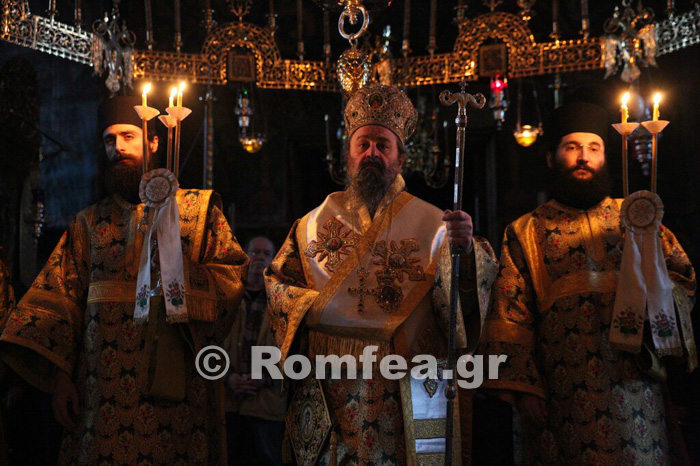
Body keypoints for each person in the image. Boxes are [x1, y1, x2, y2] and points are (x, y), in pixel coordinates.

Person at [0, 95, 248, 465]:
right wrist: (61, 380)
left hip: (177, 394)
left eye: (128, 136)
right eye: (109, 140)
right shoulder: (88, 223)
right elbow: (58, 302)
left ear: (154, 141)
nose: (117, 147)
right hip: (99, 395)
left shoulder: (198, 211)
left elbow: (231, 277)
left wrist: (179, 273)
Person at [265, 83, 498, 465]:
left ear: (400, 158)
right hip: (329, 384)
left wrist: (466, 250)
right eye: (363, 144)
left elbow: (465, 300)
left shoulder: (434, 225)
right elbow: (278, 284)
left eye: (382, 145)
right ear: (349, 156)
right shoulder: (310, 224)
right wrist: (316, 308)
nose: (372, 153)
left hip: (401, 383)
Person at [480, 101, 697, 464]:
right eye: (572, 147)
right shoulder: (525, 230)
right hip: (562, 390)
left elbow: (682, 279)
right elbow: (509, 313)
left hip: (636, 383)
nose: (584, 157)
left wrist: (656, 300)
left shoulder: (637, 216)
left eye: (593, 148)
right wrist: (524, 388)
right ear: (551, 158)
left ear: (605, 158)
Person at [223, 236, 286, 466]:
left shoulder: (282, 302)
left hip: (266, 406)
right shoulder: (227, 297)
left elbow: (292, 350)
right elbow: (210, 345)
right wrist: (227, 377)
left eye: (266, 253)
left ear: (273, 260)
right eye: (255, 252)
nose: (260, 257)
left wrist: (266, 377)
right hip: (228, 402)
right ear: (245, 256)